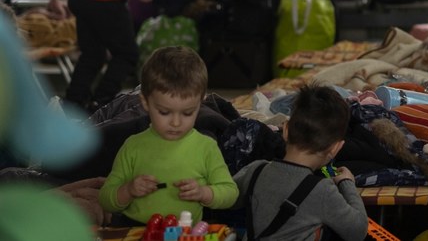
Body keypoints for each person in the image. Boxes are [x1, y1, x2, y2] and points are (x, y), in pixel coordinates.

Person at [99, 47, 238, 225]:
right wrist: (128, 190)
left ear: (201, 102)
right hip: (138, 231)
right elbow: (105, 198)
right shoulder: (133, 146)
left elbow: (230, 192)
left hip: (185, 233)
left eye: (187, 113)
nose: (176, 122)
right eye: (164, 112)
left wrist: (204, 193)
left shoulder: (206, 147)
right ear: (145, 102)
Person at [233, 85, 368, 241]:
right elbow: (357, 232)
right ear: (336, 148)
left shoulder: (255, 170)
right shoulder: (323, 191)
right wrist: (347, 182)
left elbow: (224, 198)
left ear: (285, 130)